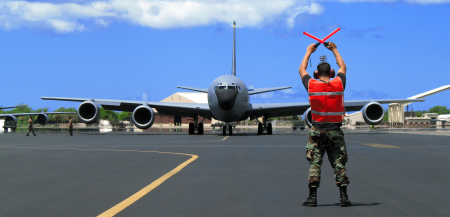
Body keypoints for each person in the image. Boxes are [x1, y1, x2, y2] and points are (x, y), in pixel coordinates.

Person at [298, 42, 351, 207]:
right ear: (332, 72)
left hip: (317, 131)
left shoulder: (312, 85)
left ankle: (312, 197)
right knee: (338, 163)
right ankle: (344, 197)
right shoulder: (339, 84)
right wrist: (335, 49)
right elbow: (343, 67)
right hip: (335, 132)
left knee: (315, 163)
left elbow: (301, 70)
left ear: (316, 73)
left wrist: (308, 51)